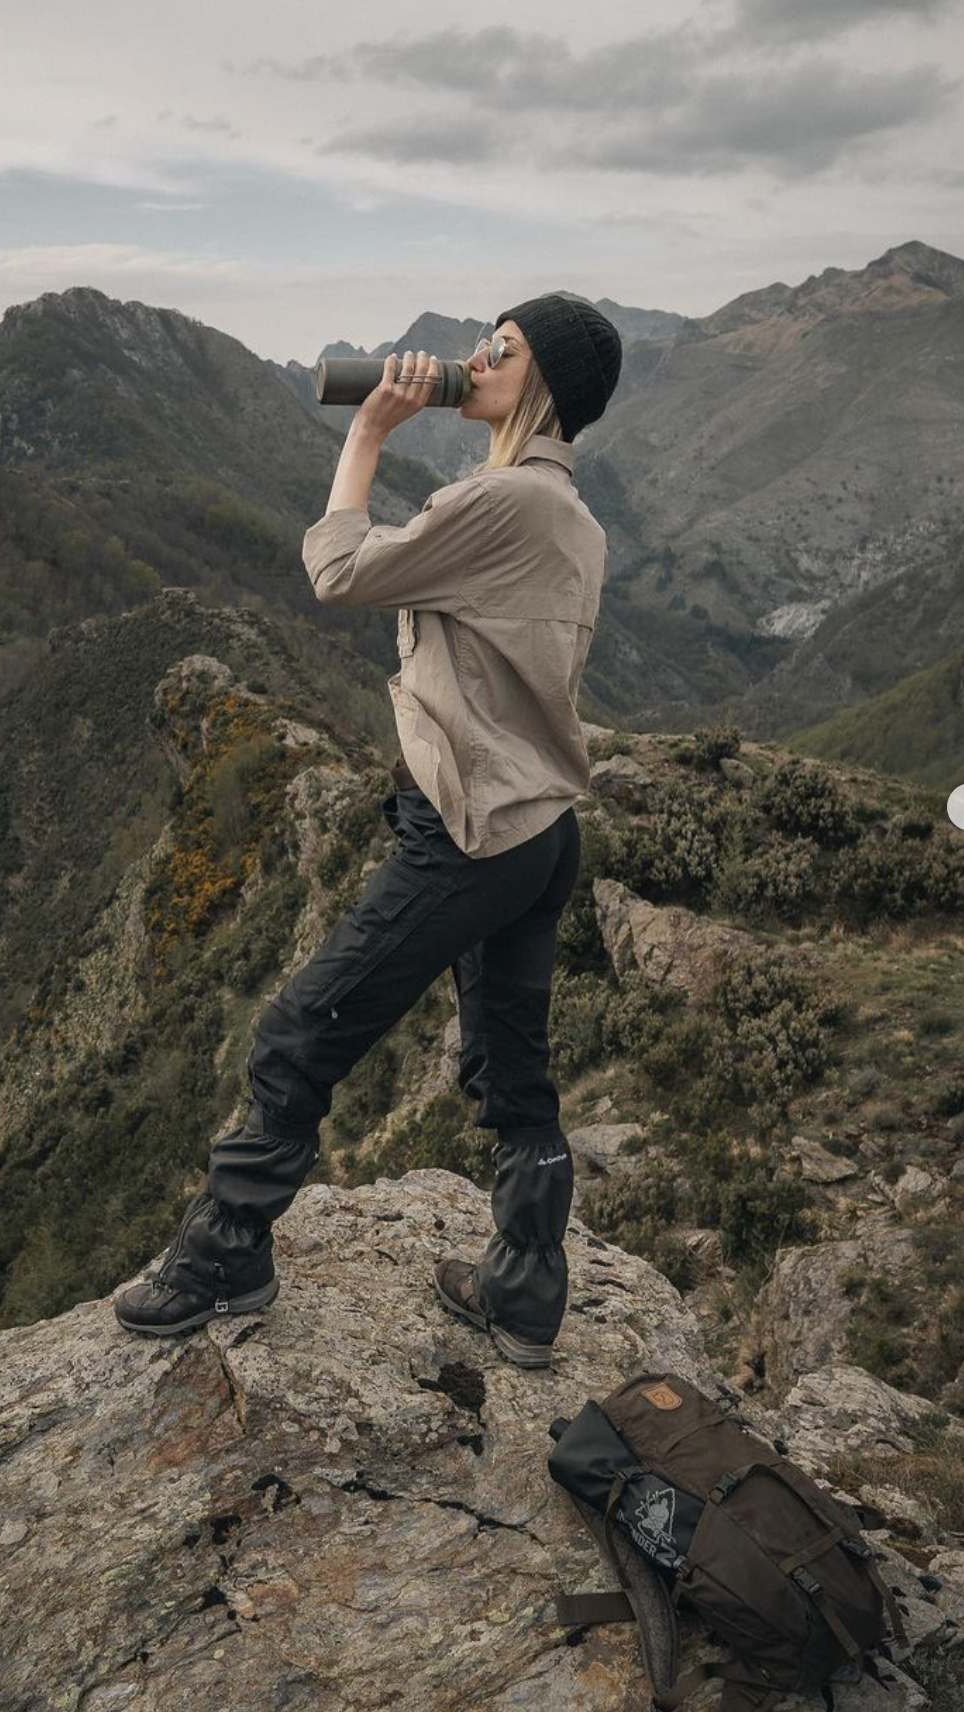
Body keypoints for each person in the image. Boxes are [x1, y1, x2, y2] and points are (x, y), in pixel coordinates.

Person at [113, 293, 622, 1368]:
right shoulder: (570, 518)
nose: (477, 358)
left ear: (541, 386)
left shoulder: (507, 501)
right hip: (539, 832)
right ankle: (524, 1287)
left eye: (504, 350)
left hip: (470, 829)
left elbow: (337, 569)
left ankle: (225, 1251)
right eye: (484, 341)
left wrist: (365, 431)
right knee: (510, 1069)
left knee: (301, 1029)